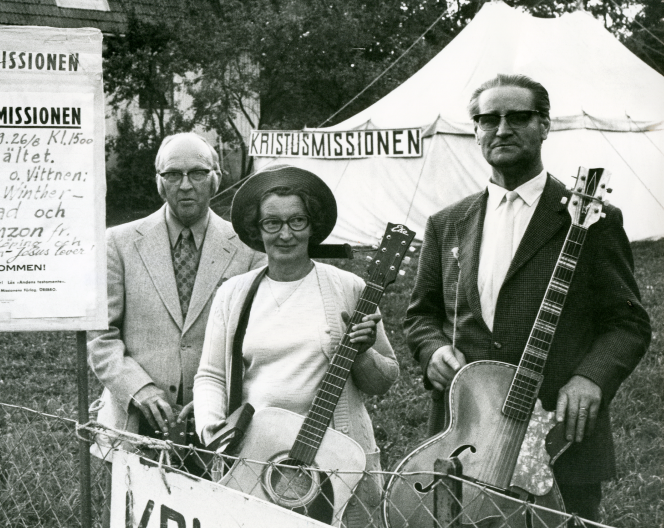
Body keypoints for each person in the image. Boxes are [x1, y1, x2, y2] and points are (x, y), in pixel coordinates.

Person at [404, 74, 651, 523]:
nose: (502, 129)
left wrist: (591, 378)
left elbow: (628, 322)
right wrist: (432, 349)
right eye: (488, 119)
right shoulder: (447, 223)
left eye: (518, 117)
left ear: (544, 125)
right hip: (468, 438)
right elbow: (422, 315)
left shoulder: (591, 217)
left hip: (559, 435)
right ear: (476, 130)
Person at [195, 164, 398, 526]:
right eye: (272, 223)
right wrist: (214, 432)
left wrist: (362, 352)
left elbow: (384, 380)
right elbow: (210, 374)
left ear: (312, 226)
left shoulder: (348, 288)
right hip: (258, 458)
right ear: (258, 230)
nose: (285, 234)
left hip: (337, 457)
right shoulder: (234, 294)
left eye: (297, 221)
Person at [88, 132, 263, 463]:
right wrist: (138, 388)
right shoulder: (117, 244)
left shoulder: (249, 249)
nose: (185, 185)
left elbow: (259, 339)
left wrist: (217, 398)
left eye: (197, 173)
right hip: (135, 424)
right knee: (133, 514)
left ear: (216, 179)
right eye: (173, 174)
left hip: (219, 425)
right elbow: (100, 336)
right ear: (159, 182)